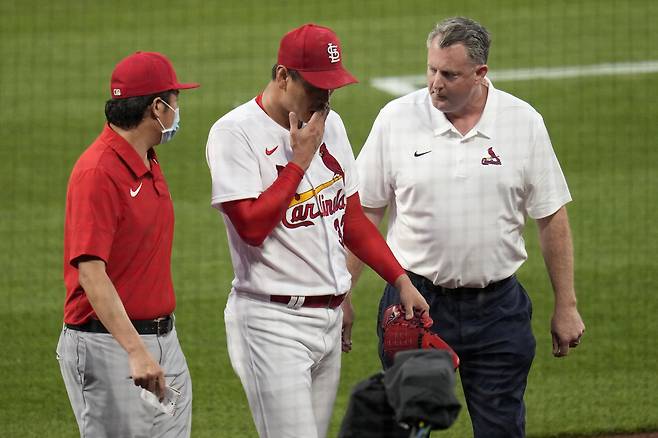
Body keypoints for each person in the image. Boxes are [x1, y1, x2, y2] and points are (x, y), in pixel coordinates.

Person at [347, 17, 586, 438]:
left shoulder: (522, 122)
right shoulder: (396, 119)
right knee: (408, 428)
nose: (435, 83)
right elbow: (365, 212)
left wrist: (565, 304)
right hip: (414, 304)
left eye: (449, 74)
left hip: (499, 311)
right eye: (431, 69)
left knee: (501, 428)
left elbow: (551, 216)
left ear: (481, 74)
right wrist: (343, 295)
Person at [205, 23, 430, 438]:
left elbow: (352, 218)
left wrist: (399, 280)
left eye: (332, 86)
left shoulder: (332, 124)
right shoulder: (234, 134)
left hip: (328, 320)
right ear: (282, 77)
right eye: (316, 86)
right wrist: (298, 162)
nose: (326, 97)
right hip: (271, 323)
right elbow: (251, 226)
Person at [57, 51, 199, 437]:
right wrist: (136, 351)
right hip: (109, 346)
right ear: (157, 107)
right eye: (175, 99)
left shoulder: (147, 159)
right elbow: (90, 273)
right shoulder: (98, 172)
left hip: (163, 340)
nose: (177, 108)